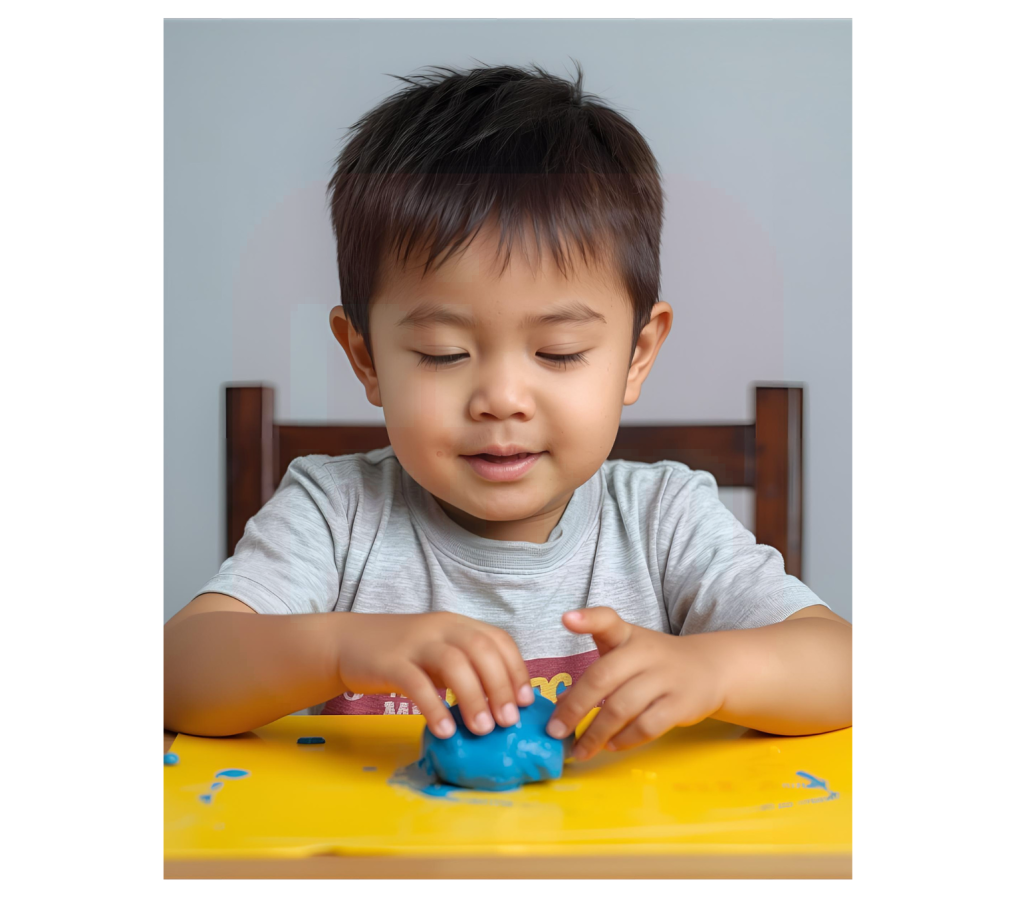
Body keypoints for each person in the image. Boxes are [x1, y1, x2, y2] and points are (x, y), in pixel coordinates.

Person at [164, 62, 851, 761]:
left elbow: (844, 665)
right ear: (365, 357)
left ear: (637, 355)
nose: (502, 399)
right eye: (442, 354)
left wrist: (716, 670)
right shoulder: (334, 514)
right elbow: (174, 671)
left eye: (558, 352)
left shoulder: (663, 521)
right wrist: (340, 649)